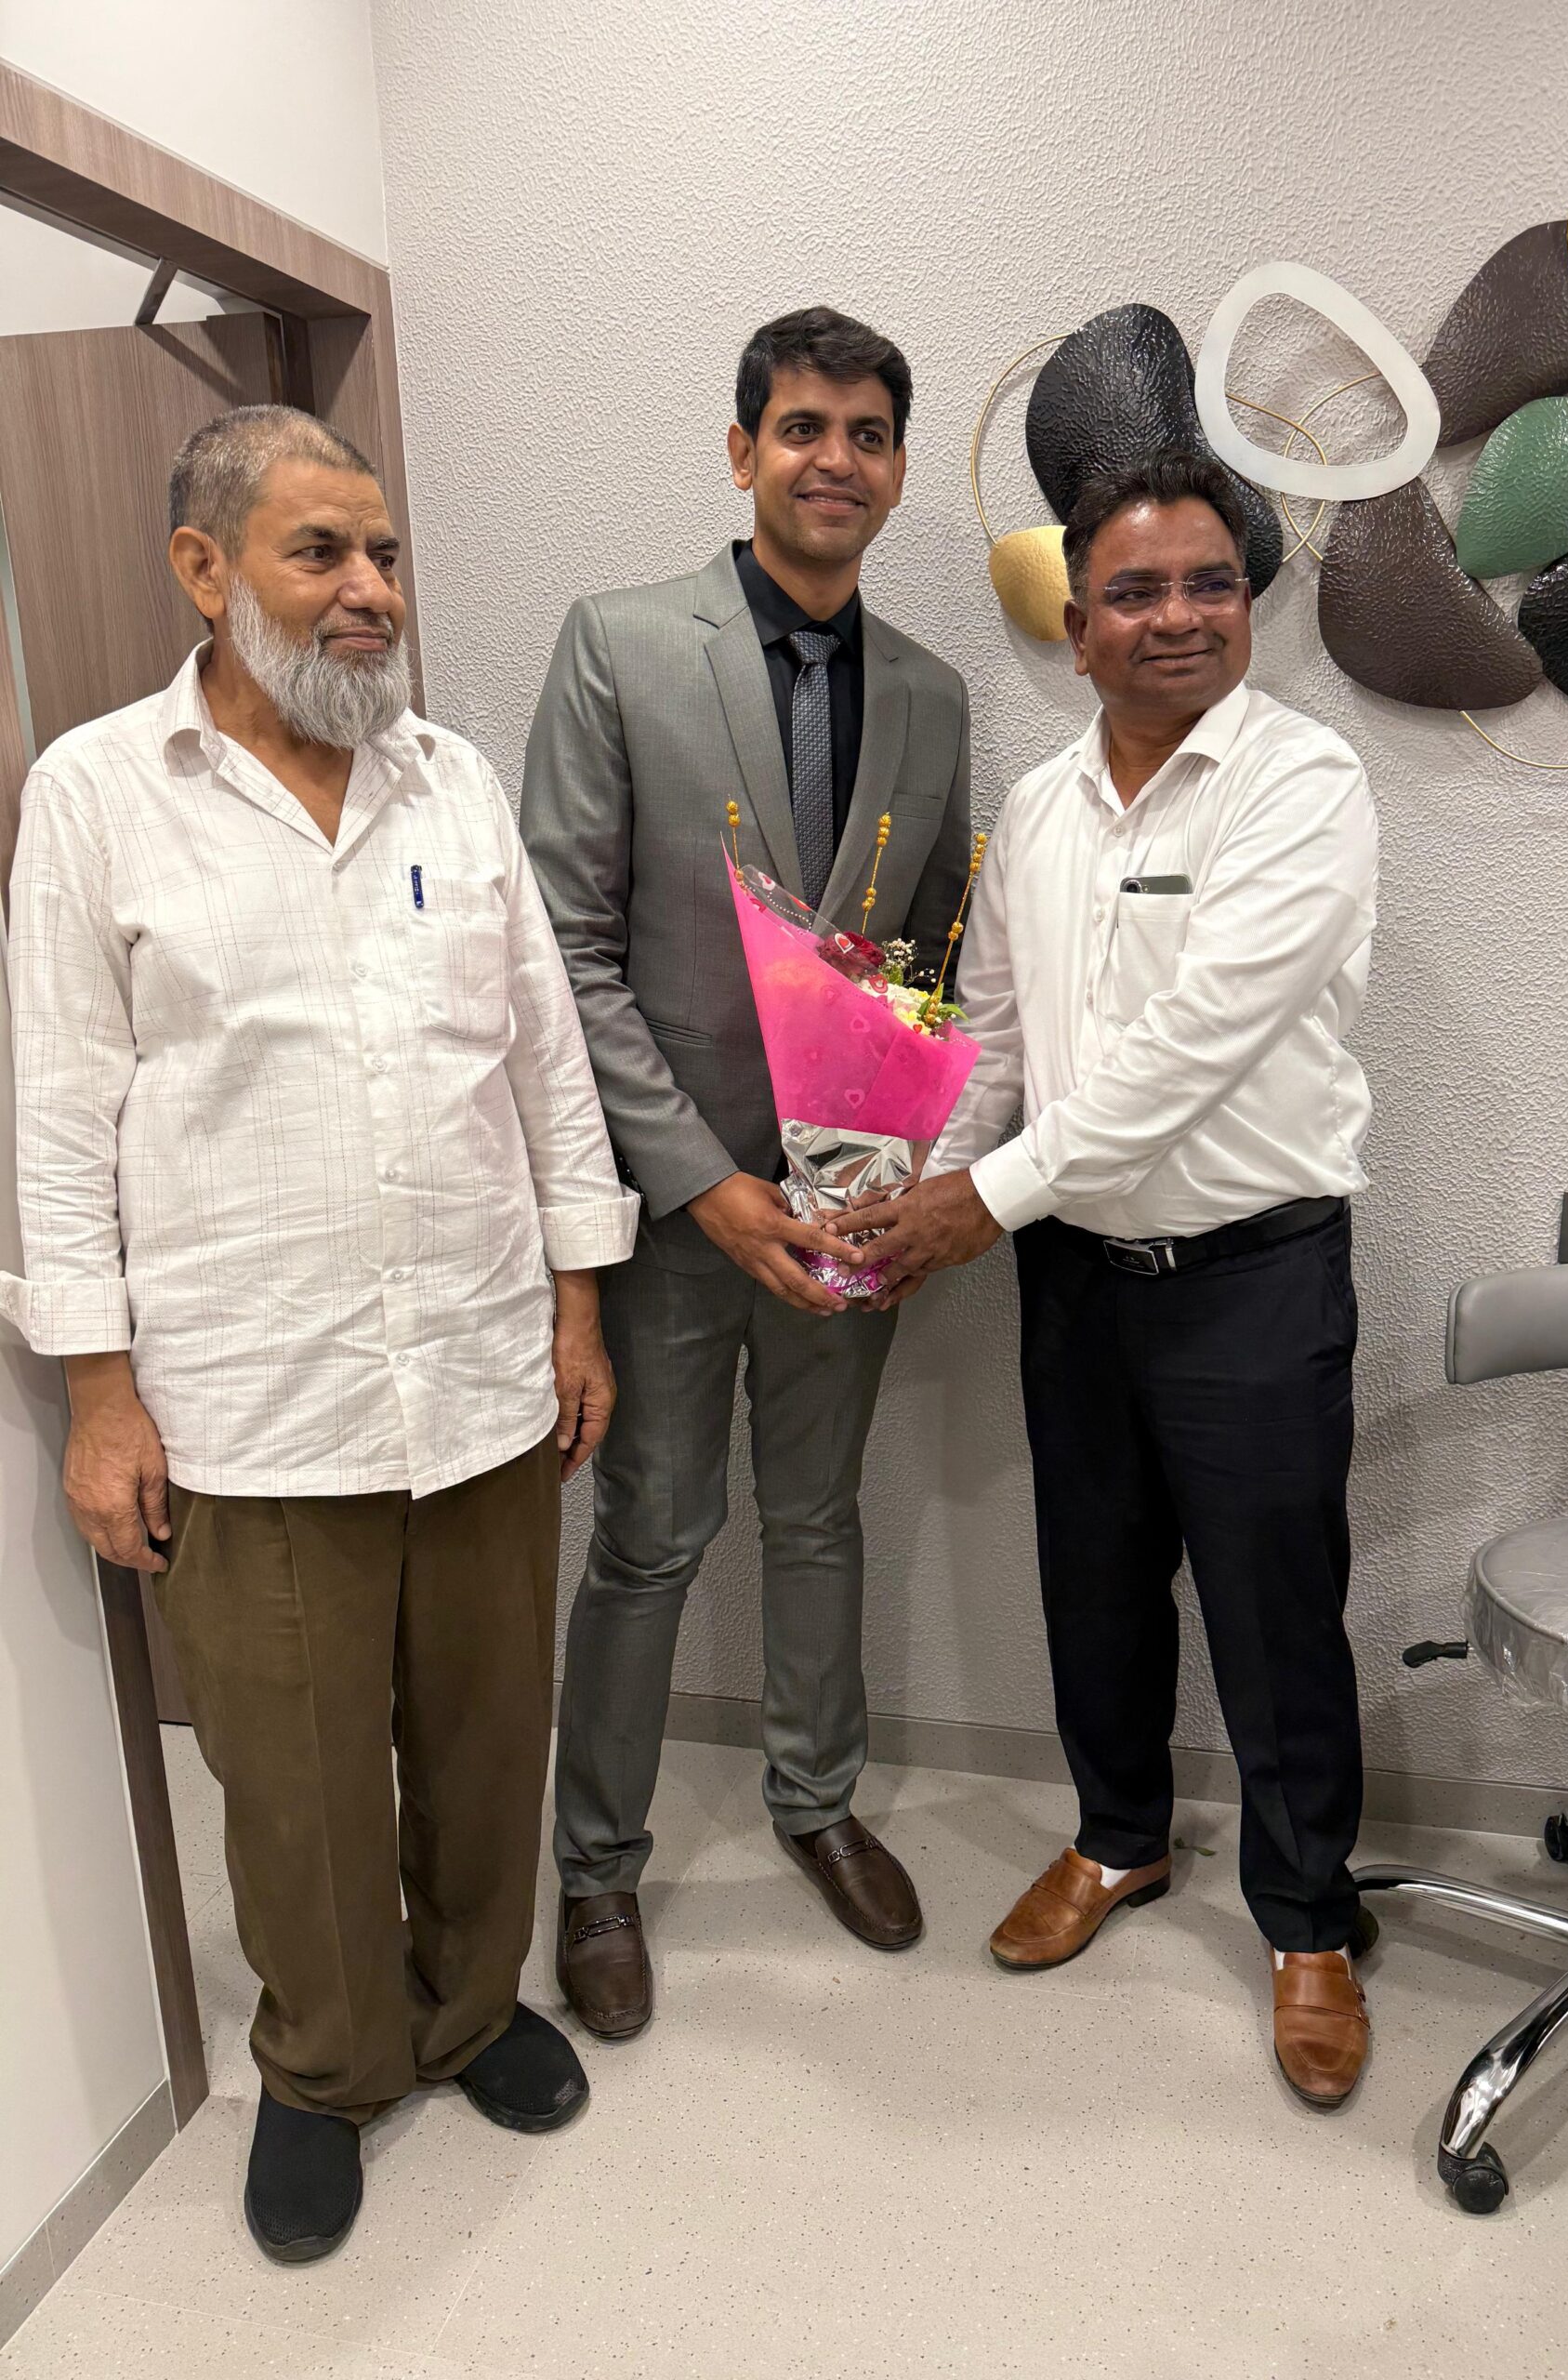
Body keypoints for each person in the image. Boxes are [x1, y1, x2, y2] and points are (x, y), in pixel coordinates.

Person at [1, 406, 638, 2261]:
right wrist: (98, 1391)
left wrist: (575, 1298)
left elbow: (544, 1061)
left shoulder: (450, 780)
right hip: (252, 1396)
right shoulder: (101, 792)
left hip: (479, 1367)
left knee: (484, 1735)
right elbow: (60, 1108)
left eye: (384, 554)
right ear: (204, 571)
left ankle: (472, 2009)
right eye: (320, 553)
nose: (371, 590)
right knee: (294, 1778)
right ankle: (326, 2063)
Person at [851, 449, 1378, 2109]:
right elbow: (998, 1033)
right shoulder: (1040, 809)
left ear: (1248, 602)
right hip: (1076, 1276)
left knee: (1274, 1611)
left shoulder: (1303, 784)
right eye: (1135, 593)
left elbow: (1193, 1049)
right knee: (1092, 1580)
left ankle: (1308, 1922)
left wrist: (983, 1200)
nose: (1177, 616)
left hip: (1252, 1276)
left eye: (1209, 583)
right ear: (1076, 628)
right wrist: (923, 1189)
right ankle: (1120, 1837)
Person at [520, 306, 970, 2037]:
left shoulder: (929, 696)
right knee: (650, 1536)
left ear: (897, 472)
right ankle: (597, 1869)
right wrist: (705, 1182)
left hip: (850, 1207)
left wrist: (900, 1175)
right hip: (672, 1205)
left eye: (866, 434)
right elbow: (568, 953)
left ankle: (815, 1800)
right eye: (801, 428)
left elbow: (926, 965)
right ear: (742, 452)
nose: (833, 459)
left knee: (820, 1515)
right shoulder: (621, 644)